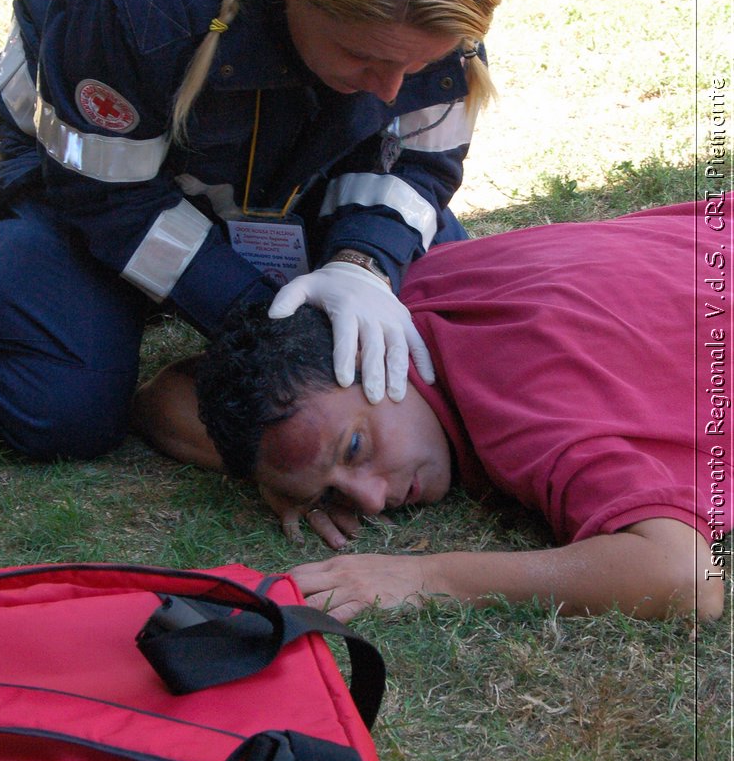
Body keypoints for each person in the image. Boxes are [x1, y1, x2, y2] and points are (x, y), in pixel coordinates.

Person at [0, 0, 507, 458]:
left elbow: (420, 157)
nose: (390, 89)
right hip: (87, 177)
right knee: (60, 405)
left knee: (452, 331)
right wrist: (258, 316)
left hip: (284, 167)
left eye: (421, 65)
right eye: (363, 55)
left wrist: (362, 265)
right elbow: (108, 197)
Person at [134, 201, 730, 624]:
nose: (369, 501)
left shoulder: (521, 404)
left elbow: (683, 578)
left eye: (356, 450)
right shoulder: (409, 284)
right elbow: (164, 399)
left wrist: (426, 578)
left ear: (364, 353)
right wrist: (293, 475)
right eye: (335, 494)